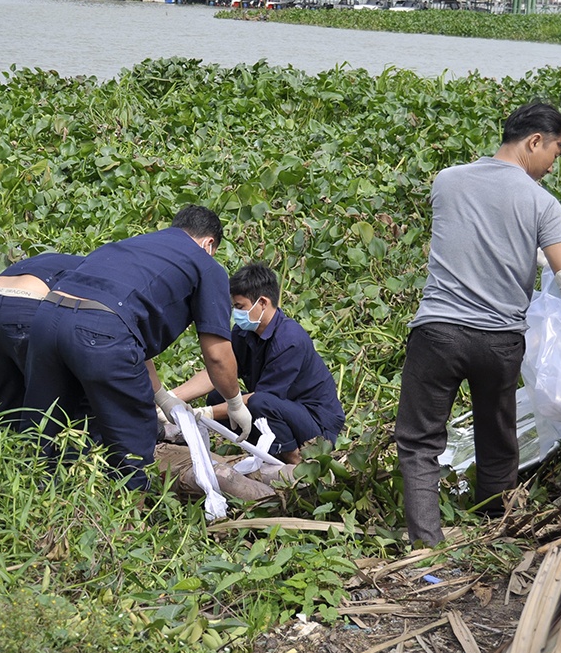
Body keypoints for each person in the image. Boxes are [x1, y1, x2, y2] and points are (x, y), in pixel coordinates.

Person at [396, 101, 561, 546]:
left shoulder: (447, 181)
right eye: (555, 153)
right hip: (499, 342)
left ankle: (426, 546)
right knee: (497, 441)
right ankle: (495, 535)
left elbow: (469, 236)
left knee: (420, 442)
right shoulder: (543, 203)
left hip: (438, 333)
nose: (553, 166)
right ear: (535, 141)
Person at [22, 205, 248, 491]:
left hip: (47, 319)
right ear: (209, 243)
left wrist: (162, 396)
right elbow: (217, 355)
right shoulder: (205, 264)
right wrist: (235, 403)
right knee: (134, 430)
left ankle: (32, 499)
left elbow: (132, 330)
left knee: (46, 422)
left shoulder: (132, 246)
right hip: (101, 332)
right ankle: (128, 516)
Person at [166, 262, 345, 464]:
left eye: (240, 307)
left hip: (317, 425)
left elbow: (263, 398)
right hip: (279, 409)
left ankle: (295, 458)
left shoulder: (289, 340)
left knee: (259, 403)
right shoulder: (244, 333)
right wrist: (170, 400)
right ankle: (267, 450)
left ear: (262, 302)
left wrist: (202, 414)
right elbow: (217, 372)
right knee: (218, 396)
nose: (236, 313)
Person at [0, 252, 83, 432]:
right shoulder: (101, 275)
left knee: (8, 395)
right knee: (56, 397)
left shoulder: (63, 260)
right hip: (28, 303)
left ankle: (5, 453)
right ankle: (40, 453)